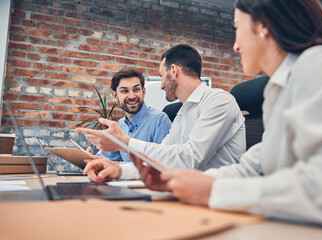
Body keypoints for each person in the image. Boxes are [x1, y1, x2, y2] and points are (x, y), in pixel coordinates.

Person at [126, 0, 322, 229]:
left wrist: (212, 191)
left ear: (263, 26)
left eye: (237, 28)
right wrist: (178, 182)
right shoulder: (280, 89)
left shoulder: (319, 65)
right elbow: (249, 168)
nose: (236, 45)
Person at [76, 44, 246, 180]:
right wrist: (118, 170)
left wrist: (125, 143)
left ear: (174, 71)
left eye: (161, 76)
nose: (161, 85)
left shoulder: (219, 100)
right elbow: (158, 161)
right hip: (190, 193)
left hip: (220, 197)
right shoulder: (182, 114)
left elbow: (189, 159)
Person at [93, 68, 172, 162]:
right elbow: (104, 158)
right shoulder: (120, 125)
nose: (131, 96)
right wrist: (90, 158)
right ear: (115, 96)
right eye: (125, 91)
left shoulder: (160, 120)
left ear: (143, 92)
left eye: (136, 89)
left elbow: (164, 164)